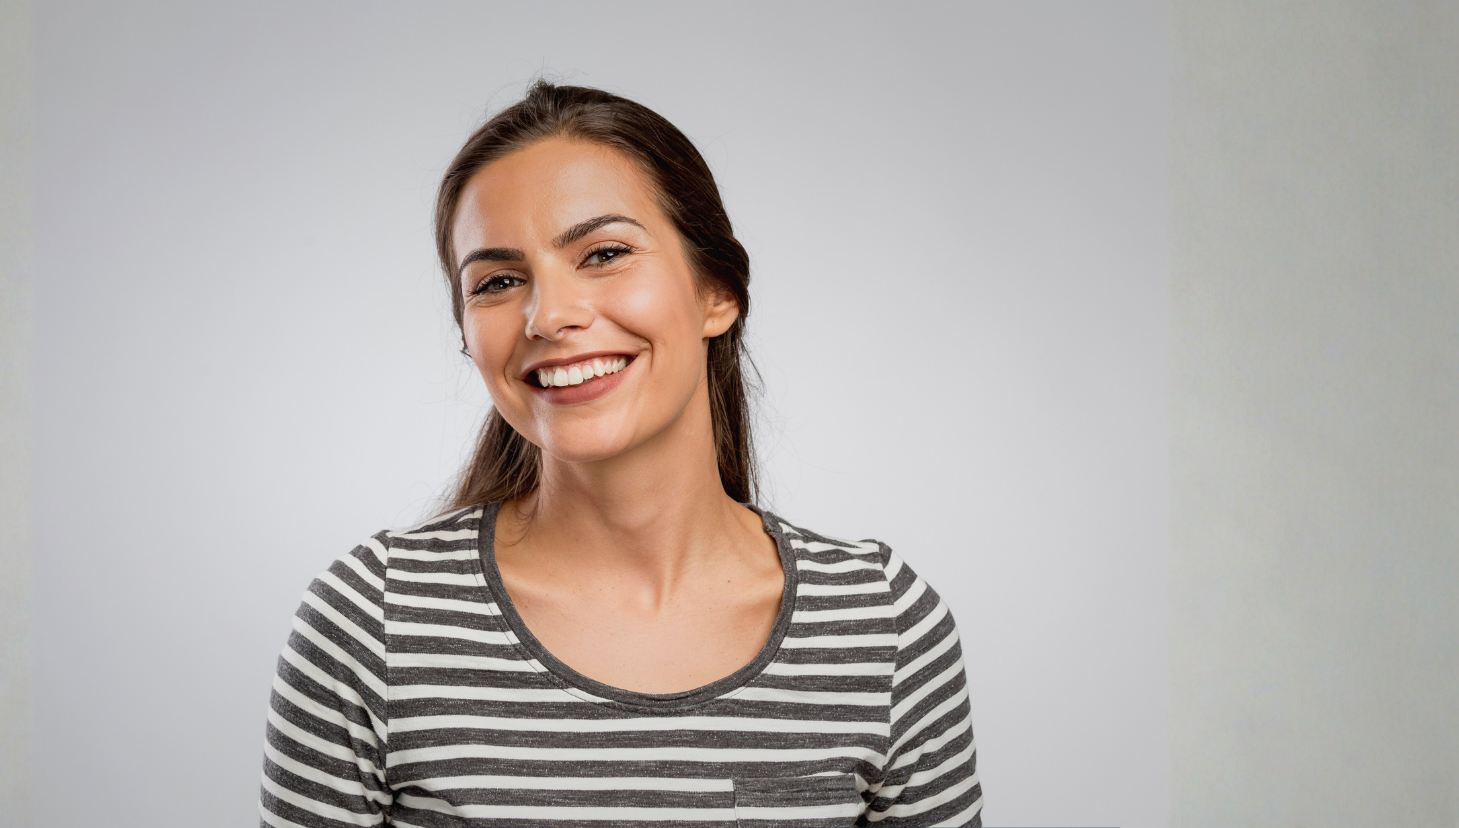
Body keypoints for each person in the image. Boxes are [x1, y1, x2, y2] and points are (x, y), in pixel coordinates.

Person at [260, 82, 983, 827]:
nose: (550, 316)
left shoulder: (881, 624)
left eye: (604, 253)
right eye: (499, 282)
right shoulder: (371, 621)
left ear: (717, 292)